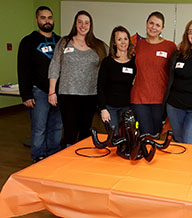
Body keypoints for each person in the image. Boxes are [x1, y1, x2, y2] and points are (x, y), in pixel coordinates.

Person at [48, 10, 108, 146]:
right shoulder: (64, 42)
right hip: (68, 95)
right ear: (75, 24)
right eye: (80, 22)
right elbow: (55, 65)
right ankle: (67, 161)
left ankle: (81, 161)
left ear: (90, 25)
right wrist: (52, 91)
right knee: (70, 131)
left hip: (90, 95)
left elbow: (113, 60)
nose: (83, 25)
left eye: (86, 22)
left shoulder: (99, 45)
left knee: (85, 131)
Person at [17, 6, 62, 162]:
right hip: (39, 92)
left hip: (58, 92)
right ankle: (38, 157)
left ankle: (54, 154)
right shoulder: (28, 41)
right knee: (39, 127)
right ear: (37, 20)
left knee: (56, 127)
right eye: (43, 18)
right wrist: (26, 94)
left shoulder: (60, 41)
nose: (47, 21)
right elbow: (22, 69)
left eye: (49, 17)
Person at [131, 11, 176, 135]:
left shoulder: (170, 46)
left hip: (160, 99)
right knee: (145, 134)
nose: (153, 27)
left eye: (157, 25)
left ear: (162, 28)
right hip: (139, 98)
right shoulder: (137, 45)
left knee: (156, 134)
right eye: (151, 23)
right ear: (146, 24)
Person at [97, 26, 136, 135]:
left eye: (125, 39)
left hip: (127, 107)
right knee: (114, 138)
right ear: (114, 43)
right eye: (119, 39)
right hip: (110, 108)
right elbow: (100, 86)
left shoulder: (134, 62)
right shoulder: (107, 62)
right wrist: (102, 108)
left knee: (128, 137)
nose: (123, 42)